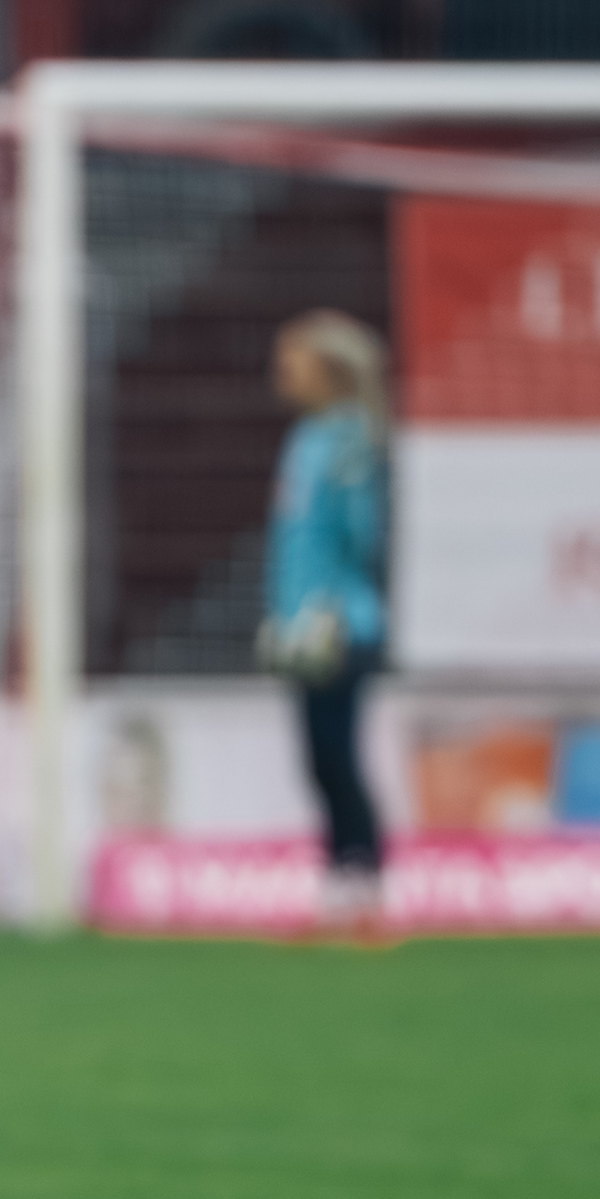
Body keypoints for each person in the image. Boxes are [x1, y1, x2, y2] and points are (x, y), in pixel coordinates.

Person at [261, 309, 391, 935]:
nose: (281, 374)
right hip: (301, 631)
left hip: (341, 628)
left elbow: (359, 536)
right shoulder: (305, 439)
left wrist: (327, 613)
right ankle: (341, 881)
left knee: (339, 756)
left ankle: (363, 882)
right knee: (317, 758)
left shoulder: (348, 441)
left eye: (294, 362)